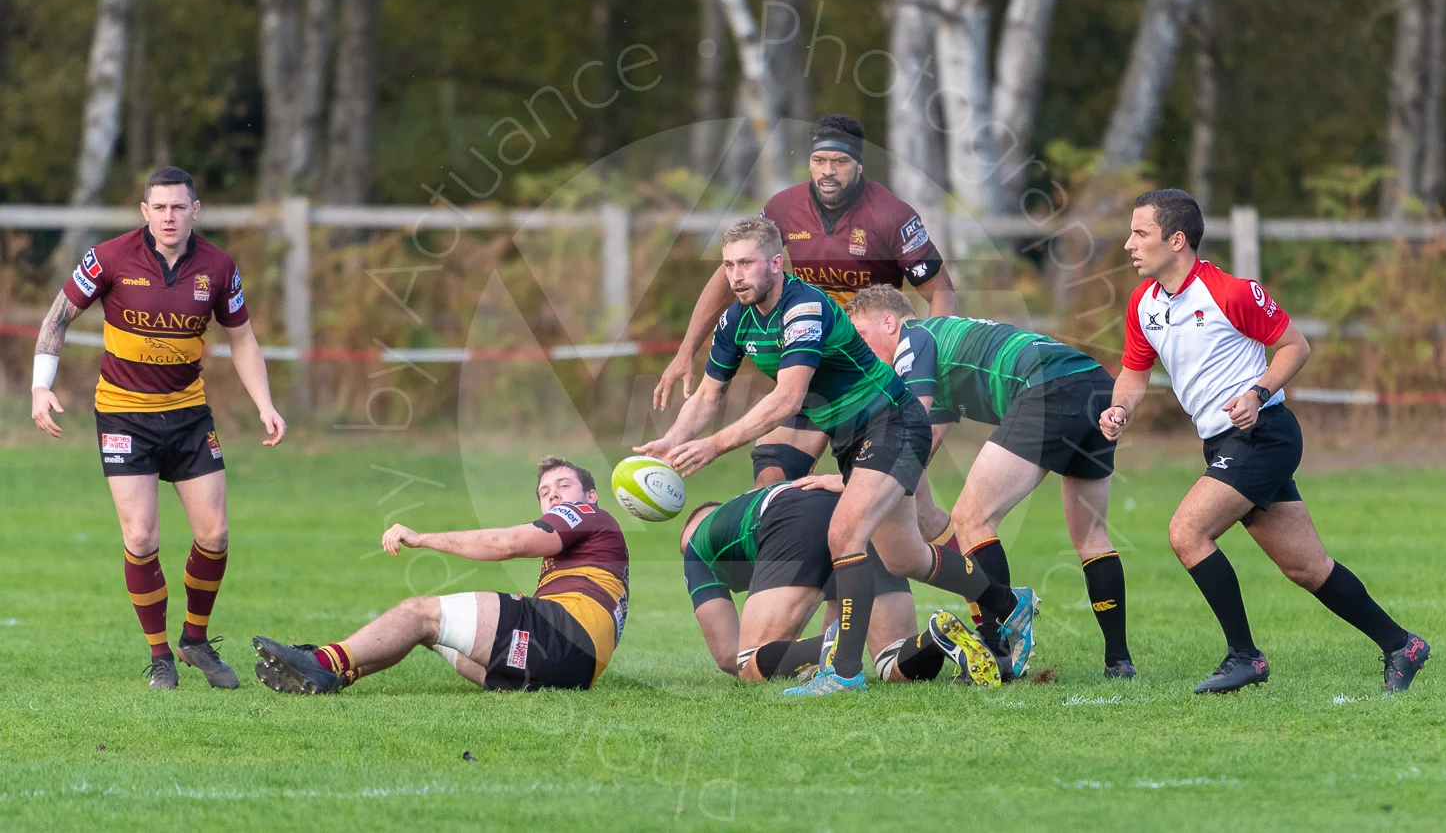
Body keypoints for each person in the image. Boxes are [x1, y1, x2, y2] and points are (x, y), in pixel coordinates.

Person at [636, 217, 1019, 695]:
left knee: (844, 534)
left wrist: (715, 444)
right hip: (851, 440)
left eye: (746, 264)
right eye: (729, 265)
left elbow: (788, 399)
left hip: (892, 420)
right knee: (905, 557)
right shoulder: (736, 319)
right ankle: (1010, 604)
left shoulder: (804, 308)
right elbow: (709, 395)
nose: (735, 276)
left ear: (776, 263)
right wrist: (673, 440)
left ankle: (844, 672)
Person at [1101, 188, 1430, 694]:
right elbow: (1134, 373)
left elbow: (1295, 346)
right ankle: (1402, 645)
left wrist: (1257, 393)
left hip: (1263, 435)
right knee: (1307, 567)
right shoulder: (1143, 304)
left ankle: (1245, 657)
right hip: (1222, 444)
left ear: (1176, 240)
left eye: (1140, 233)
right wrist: (1121, 408)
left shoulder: (1230, 292)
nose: (1129, 244)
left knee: (1187, 532)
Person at [29, 166, 286, 690]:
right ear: (145, 211)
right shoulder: (108, 257)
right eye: (160, 207)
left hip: (189, 413)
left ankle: (195, 640)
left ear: (196, 210)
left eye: (179, 207)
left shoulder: (219, 267)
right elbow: (57, 318)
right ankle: (160, 655)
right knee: (141, 536)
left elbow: (242, 339)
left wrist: (265, 403)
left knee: (214, 534)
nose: (169, 217)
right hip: (124, 414)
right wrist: (40, 386)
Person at [655, 114, 958, 488]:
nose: (828, 171)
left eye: (840, 161)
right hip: (811, 365)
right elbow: (731, 272)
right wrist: (687, 349)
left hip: (871, 374)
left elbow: (942, 293)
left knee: (885, 499)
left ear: (859, 164)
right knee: (771, 484)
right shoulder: (784, 208)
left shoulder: (892, 216)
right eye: (819, 160)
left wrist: (921, 363)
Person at [847, 285, 1132, 679]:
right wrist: (874, 484)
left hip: (1047, 387)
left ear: (890, 323)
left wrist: (857, 482)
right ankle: (1119, 662)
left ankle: (997, 650)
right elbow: (922, 445)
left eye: (860, 334)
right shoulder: (937, 356)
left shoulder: (915, 338)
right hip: (1093, 383)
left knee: (970, 518)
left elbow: (911, 422)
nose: (858, 349)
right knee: (1091, 537)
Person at [252, 457, 629, 694]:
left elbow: (506, 544)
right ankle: (337, 675)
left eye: (564, 485)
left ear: (590, 496)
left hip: (564, 637)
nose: (554, 496)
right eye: (545, 492)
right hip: (572, 670)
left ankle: (321, 663)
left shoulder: (588, 515)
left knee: (419, 613)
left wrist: (423, 539)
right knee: (428, 632)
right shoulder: (587, 544)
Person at [680, 483, 957, 685]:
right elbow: (838, 596)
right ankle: (936, 638)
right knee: (893, 661)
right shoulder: (746, 509)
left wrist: (808, 652)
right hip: (854, 514)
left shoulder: (695, 545)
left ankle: (825, 649)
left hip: (796, 519)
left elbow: (727, 656)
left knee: (748, 662)